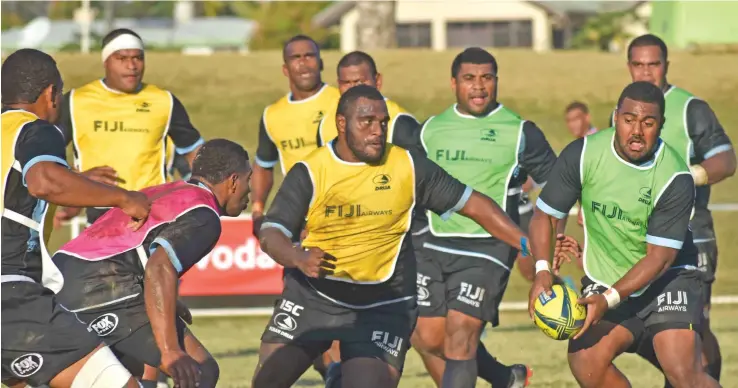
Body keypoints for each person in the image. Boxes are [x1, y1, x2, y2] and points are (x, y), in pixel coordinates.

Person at [251, 84, 545, 388]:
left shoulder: (407, 165)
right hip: (314, 296)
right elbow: (272, 232)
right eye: (366, 122)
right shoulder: (311, 170)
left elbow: (474, 205)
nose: (377, 131)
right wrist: (298, 257)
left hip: (383, 304)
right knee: (267, 382)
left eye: (382, 122)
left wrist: (530, 245)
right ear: (342, 124)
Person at [529, 81, 720, 388]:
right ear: (616, 117)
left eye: (648, 123)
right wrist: (542, 270)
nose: (637, 131)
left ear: (660, 126)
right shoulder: (584, 154)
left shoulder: (674, 176)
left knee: (681, 370)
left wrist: (607, 300)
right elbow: (546, 215)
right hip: (606, 277)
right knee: (585, 360)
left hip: (668, 279)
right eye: (629, 120)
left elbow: (659, 258)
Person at [409, 47, 562, 388]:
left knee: (461, 335)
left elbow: (556, 189)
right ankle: (504, 378)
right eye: (469, 79)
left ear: (496, 82)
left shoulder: (521, 132)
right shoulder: (429, 130)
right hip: (431, 243)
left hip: (490, 247)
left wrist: (552, 238)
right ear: (453, 84)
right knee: (428, 338)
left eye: (487, 78)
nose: (479, 87)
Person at [1, 48, 150, 388]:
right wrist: (124, 198)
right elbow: (44, 181)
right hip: (11, 294)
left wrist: (79, 182)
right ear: (52, 93)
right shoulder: (35, 129)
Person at [51, 139, 252, 388]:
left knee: (131, 371)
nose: (250, 190)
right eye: (248, 179)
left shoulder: (167, 190)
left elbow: (133, 251)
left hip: (58, 277)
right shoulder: (204, 214)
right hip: (100, 286)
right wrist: (169, 351)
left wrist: (165, 300)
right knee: (198, 370)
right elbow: (159, 268)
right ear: (233, 181)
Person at [612, 34, 735, 383]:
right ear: (628, 66)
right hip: (640, 240)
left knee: (696, 326)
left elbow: (726, 161)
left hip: (692, 236)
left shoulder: (689, 108)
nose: (646, 71)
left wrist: (687, 177)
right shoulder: (620, 112)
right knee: (658, 329)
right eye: (638, 64)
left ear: (666, 65)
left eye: (654, 64)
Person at [54, 28, 205, 227]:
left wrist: (206, 196)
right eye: (122, 58)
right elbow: (47, 156)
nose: (131, 65)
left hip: (154, 213)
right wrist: (77, 181)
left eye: (137, 58)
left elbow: (195, 152)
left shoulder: (163, 101)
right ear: (106, 61)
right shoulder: (75, 101)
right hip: (101, 216)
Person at [251, 34, 341, 236]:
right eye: (296, 57)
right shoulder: (272, 115)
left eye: (310, 56)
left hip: (341, 213)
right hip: (298, 217)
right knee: (298, 266)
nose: (303, 62)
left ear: (321, 63)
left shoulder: (342, 101)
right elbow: (264, 165)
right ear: (285, 69)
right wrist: (257, 210)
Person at [317, 50, 420, 147]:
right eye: (346, 83)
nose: (353, 88)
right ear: (339, 84)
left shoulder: (400, 123)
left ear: (378, 81)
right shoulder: (326, 124)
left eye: (360, 82)